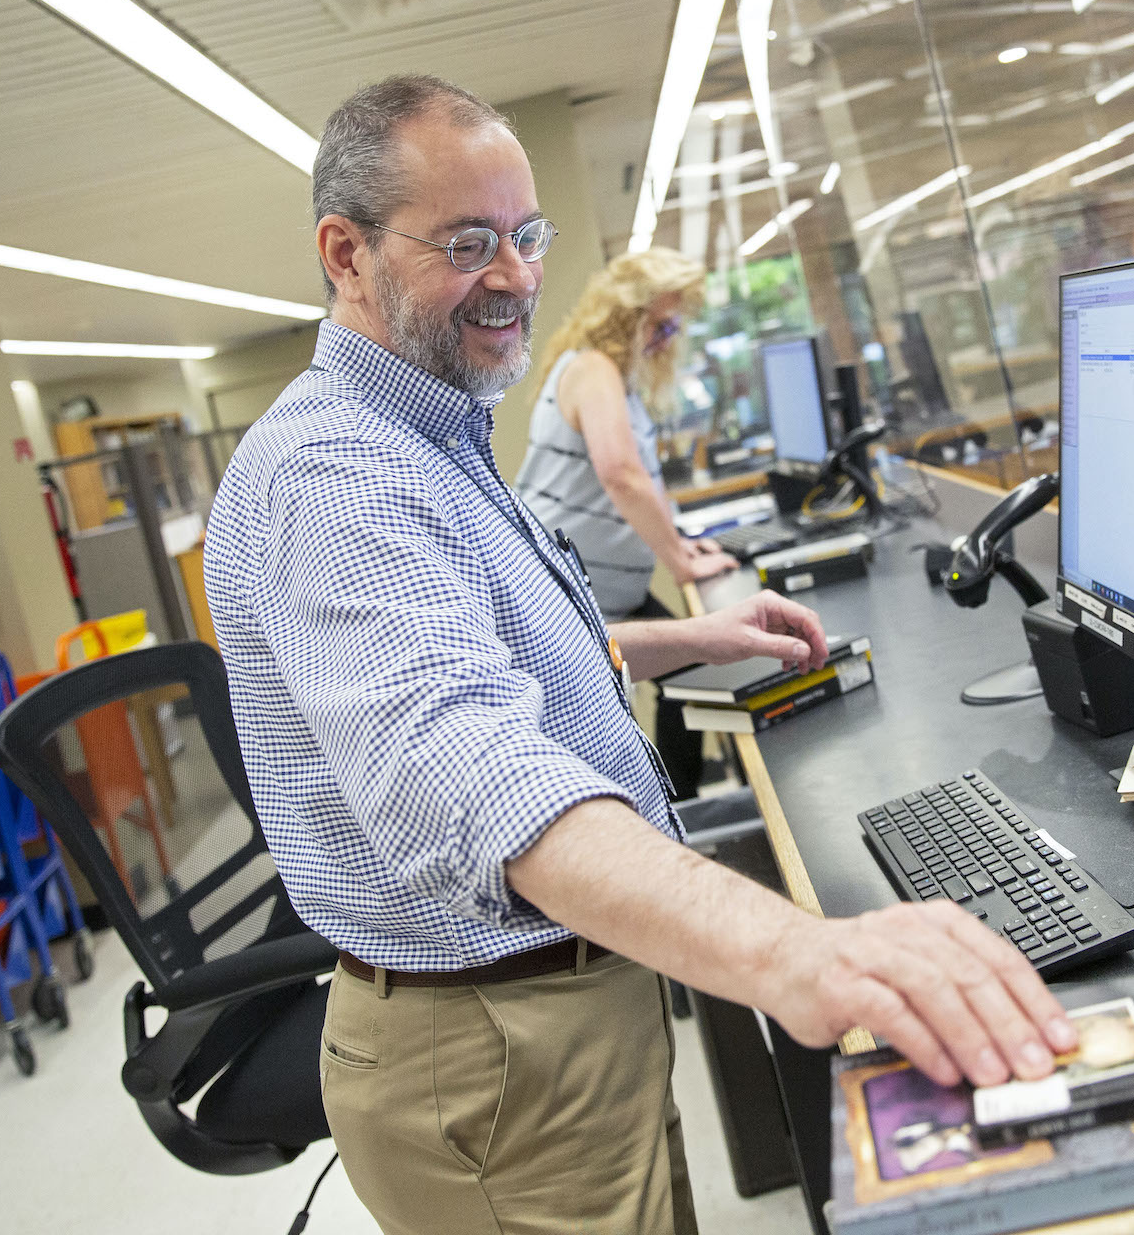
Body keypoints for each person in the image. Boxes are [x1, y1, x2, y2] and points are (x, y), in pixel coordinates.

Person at [203, 74, 1076, 1235]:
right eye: (470, 242)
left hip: (557, 1002)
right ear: (345, 253)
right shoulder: (338, 476)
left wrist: (690, 636)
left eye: (526, 236)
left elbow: (499, 654)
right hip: (494, 1044)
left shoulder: (427, 431)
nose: (514, 276)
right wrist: (789, 951)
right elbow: (470, 770)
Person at [515, 249, 737, 798]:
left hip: (608, 587)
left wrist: (681, 540)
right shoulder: (592, 367)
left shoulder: (615, 378)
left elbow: (640, 480)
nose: (667, 338)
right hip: (565, 593)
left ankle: (681, 810)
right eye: (659, 325)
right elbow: (621, 475)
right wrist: (679, 561)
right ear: (624, 316)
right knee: (669, 682)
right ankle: (672, 816)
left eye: (675, 326)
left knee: (692, 668)